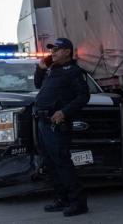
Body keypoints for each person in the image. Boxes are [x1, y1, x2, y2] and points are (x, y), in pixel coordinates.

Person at [34, 38, 90, 217]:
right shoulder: (52, 70)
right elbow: (37, 85)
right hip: (43, 122)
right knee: (50, 163)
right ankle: (62, 199)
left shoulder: (74, 71)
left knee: (63, 163)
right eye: (52, 49)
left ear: (67, 51)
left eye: (57, 49)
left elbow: (83, 97)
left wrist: (64, 112)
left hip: (56, 124)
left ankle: (78, 203)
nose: (53, 52)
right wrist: (40, 69)